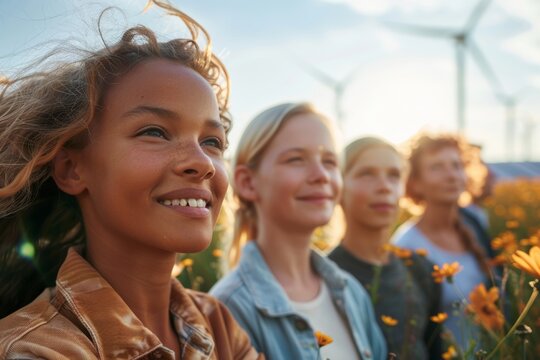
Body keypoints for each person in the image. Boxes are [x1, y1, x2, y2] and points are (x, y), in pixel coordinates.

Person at [0, 1, 261, 359]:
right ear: (71, 170)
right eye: (155, 132)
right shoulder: (35, 349)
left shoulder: (219, 324)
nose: (203, 163)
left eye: (212, 142)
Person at [210, 103, 387, 360]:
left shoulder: (351, 292)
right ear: (248, 182)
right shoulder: (229, 309)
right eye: (296, 160)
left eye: (330, 161)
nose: (321, 175)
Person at [328, 137, 443, 360]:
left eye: (394, 175)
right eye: (366, 174)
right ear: (338, 186)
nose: (384, 186)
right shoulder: (321, 277)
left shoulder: (422, 270)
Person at [391, 133, 495, 349]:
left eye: (457, 165)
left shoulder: (476, 223)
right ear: (415, 182)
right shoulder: (406, 246)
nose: (451, 175)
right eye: (437, 167)